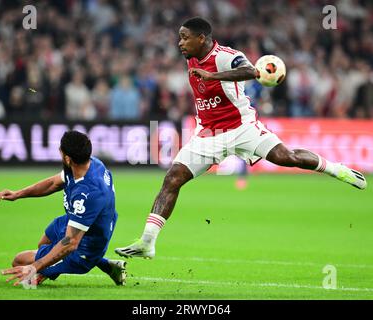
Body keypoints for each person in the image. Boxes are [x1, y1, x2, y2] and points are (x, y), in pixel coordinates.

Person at [115, 17, 367, 259]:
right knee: (172, 179)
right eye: (179, 38)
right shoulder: (192, 56)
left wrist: (214, 76)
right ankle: (147, 243)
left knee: (286, 157)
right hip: (207, 134)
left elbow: (251, 71)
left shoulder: (225, 56)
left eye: (184, 38)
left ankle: (337, 170)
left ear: (201, 38)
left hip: (242, 127)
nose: (179, 43)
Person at [0, 130, 127, 286]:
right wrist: (18, 194)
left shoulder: (87, 193)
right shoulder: (91, 164)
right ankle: (106, 265)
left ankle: (53, 271)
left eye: (60, 151)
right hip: (84, 222)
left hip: (87, 245)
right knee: (44, 243)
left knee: (19, 261)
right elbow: (53, 183)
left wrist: (35, 267)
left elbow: (70, 242)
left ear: (68, 159)